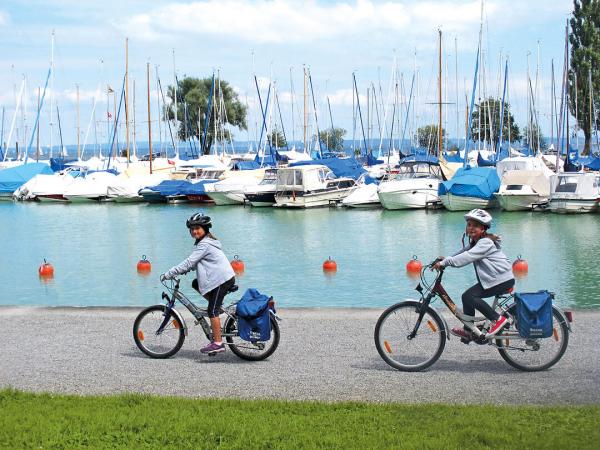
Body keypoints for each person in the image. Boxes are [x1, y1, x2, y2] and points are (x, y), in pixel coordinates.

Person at [433, 209, 515, 340]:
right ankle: (469, 331)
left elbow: (467, 257)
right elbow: (461, 253)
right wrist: (444, 260)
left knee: (470, 296)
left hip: (501, 280)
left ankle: (498, 319)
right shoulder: (476, 242)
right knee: (467, 297)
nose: (471, 228)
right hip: (495, 279)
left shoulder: (485, 243)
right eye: (469, 224)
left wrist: (445, 263)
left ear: (483, 229)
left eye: (475, 226)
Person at [161, 213, 235, 354]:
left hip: (222, 280)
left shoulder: (205, 244)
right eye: (192, 229)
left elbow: (190, 261)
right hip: (220, 278)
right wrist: (187, 269)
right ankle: (216, 307)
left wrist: (170, 273)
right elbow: (199, 262)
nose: (194, 231)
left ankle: (218, 343)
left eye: (197, 228)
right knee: (196, 283)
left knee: (211, 311)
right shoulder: (205, 242)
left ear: (205, 228)